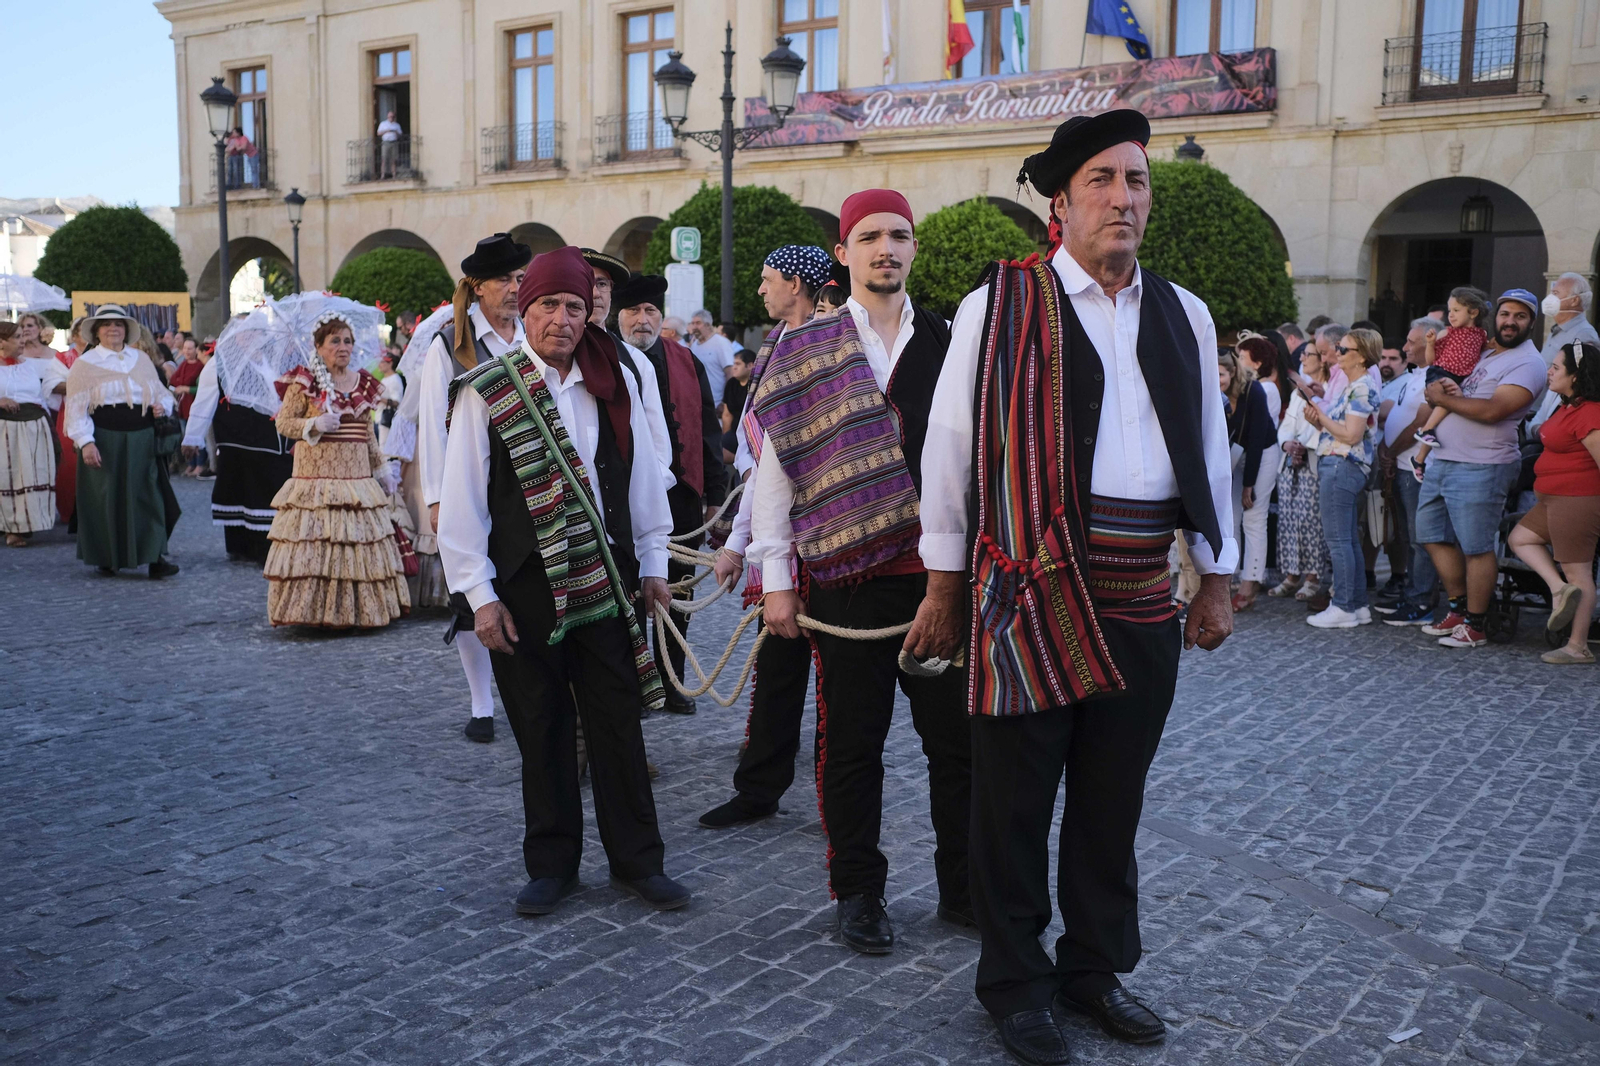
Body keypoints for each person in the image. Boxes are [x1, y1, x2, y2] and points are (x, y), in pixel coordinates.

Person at [917, 110, 1235, 1064]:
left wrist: (1216, 576)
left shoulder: (1185, 310)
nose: (1123, 197)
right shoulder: (999, 304)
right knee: (1012, 798)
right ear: (1060, 202)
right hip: (1025, 585)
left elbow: (1211, 452)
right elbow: (949, 451)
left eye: (1136, 181)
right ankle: (1014, 983)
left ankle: (1094, 970)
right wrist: (942, 583)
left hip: (1142, 589)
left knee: (1112, 798)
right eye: (1102, 180)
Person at [748, 190, 972, 957]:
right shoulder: (806, 346)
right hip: (845, 581)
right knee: (851, 747)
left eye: (899, 235)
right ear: (842, 254)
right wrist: (776, 577)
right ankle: (860, 892)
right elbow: (777, 472)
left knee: (958, 744)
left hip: (940, 579)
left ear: (914, 249)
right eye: (869, 236)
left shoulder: (950, 341)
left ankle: (964, 885)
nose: (886, 248)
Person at [436, 245, 690, 916]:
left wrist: (656, 565)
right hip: (523, 591)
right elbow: (461, 505)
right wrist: (480, 599)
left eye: (574, 305)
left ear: (589, 313)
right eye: (548, 303)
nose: (562, 318)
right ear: (527, 310)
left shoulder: (618, 380)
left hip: (606, 583)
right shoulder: (488, 391)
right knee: (542, 728)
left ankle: (639, 861)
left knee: (618, 725)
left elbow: (643, 479)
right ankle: (552, 864)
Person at [700, 242, 834, 831]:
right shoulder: (775, 346)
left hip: (832, 538)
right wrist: (741, 543)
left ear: (799, 286)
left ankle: (843, 790)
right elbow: (765, 462)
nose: (760, 290)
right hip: (785, 542)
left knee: (845, 679)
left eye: (769, 279)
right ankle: (760, 786)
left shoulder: (833, 344)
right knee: (778, 669)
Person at [411, 234, 532, 740]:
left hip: (527, 481)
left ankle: (528, 695)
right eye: (503, 280)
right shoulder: (451, 343)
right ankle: (482, 704)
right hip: (471, 485)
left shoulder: (533, 334)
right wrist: (438, 499)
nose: (513, 289)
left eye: (520, 279)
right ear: (478, 287)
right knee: (471, 595)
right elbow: (432, 424)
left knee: (522, 590)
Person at [613, 273, 730, 714]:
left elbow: (708, 431)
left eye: (650, 311)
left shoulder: (687, 361)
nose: (643, 320)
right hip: (625, 503)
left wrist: (715, 494)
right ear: (617, 316)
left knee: (678, 594)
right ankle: (636, 685)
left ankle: (672, 679)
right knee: (630, 595)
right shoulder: (606, 360)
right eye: (633, 311)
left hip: (681, 500)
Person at [1415, 290, 1549, 649]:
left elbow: (1494, 410)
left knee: (1476, 547)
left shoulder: (1528, 363)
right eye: (1506, 314)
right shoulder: (1486, 350)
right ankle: (1458, 608)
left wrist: (1443, 399)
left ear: (1532, 323)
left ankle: (1476, 624)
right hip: (1443, 457)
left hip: (1483, 464)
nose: (1510, 321)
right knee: (1430, 535)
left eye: (1520, 317)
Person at [264, 315, 408, 627]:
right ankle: (312, 614)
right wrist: (312, 424)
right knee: (318, 548)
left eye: (347, 341)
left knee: (356, 549)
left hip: (357, 482)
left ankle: (357, 613)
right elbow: (284, 423)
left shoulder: (363, 384)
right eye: (335, 341)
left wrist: (381, 468)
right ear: (319, 347)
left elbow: (367, 432)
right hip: (316, 482)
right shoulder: (304, 382)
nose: (343, 347)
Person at [63, 305, 181, 578]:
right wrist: (86, 442)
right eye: (106, 325)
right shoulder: (85, 364)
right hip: (104, 437)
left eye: (118, 324)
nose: (113, 329)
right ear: (96, 331)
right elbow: (77, 408)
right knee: (106, 498)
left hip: (142, 436)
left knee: (149, 496)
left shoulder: (140, 359)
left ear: (126, 330)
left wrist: (161, 407)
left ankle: (155, 556)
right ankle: (107, 556)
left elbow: (161, 393)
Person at [1507, 342, 1600, 664]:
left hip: (1576, 501)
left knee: (1579, 573)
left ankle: (1578, 646)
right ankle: (1558, 590)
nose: (1549, 371)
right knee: (1520, 538)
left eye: (1557, 367)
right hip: (1551, 500)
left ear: (1576, 376)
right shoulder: (1566, 406)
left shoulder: (1590, 413)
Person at [1302, 328, 1382, 627]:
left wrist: (1321, 418)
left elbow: (1351, 435)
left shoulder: (1361, 387)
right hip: (1341, 464)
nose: (1336, 352)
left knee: (1339, 540)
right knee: (1346, 539)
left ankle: (1344, 606)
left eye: (1343, 349)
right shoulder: (1353, 386)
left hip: (1342, 465)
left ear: (1361, 357)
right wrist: (1320, 420)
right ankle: (1357, 605)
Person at [1378, 318, 1443, 626]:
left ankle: (1422, 603)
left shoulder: (1435, 374)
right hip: (1401, 466)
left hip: (1418, 469)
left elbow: (1422, 420)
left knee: (1421, 539)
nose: (1405, 348)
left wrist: (1390, 450)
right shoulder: (1415, 375)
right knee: (1407, 536)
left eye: (1410, 342)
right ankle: (1413, 594)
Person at [1271, 343, 1332, 602]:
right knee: (1289, 521)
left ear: (1323, 360)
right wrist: (1287, 444)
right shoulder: (1299, 393)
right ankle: (1292, 574)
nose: (1303, 358)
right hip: (1291, 466)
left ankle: (1313, 577)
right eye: (1303, 354)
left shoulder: (1330, 390)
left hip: (1313, 463)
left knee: (1311, 523)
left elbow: (1327, 427)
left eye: (1309, 355)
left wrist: (1305, 446)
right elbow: (1286, 425)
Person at [1411, 286, 1491, 479]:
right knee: (1446, 400)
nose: (1451, 316)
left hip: (1460, 378)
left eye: (1456, 310)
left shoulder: (1480, 335)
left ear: (1473, 312)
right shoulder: (1447, 333)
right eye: (1449, 311)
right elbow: (1431, 360)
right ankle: (1426, 430)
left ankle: (1419, 457)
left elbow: (1484, 352)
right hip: (1440, 372)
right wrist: (1430, 344)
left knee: (1448, 410)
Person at [1230, 336, 1284, 610]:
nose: (1237, 361)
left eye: (1242, 357)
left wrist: (1248, 485)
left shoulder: (1260, 390)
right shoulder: (1235, 387)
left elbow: (1255, 439)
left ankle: (1250, 584)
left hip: (1262, 453)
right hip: (1240, 453)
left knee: (1254, 516)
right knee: (1232, 516)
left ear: (1257, 363)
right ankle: (1233, 577)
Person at [0, 322, 57, 545]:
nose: (22, 341)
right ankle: (8, 526)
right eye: (16, 337)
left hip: (33, 427)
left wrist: (49, 426)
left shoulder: (29, 366)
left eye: (22, 336)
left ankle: (23, 525)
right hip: (4, 427)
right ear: (1, 342)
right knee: (7, 476)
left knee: (29, 475)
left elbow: (41, 396)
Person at [1529, 273, 1600, 430]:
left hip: (1552, 421)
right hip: (1536, 415)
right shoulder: (1559, 330)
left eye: (1555, 293)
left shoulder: (1582, 335)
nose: (1549, 298)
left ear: (1574, 300)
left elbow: (1580, 385)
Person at [685, 309, 736, 408]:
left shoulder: (721, 343)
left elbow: (730, 373)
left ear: (708, 325)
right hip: (699, 404)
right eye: (693, 323)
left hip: (717, 405)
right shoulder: (694, 345)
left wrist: (725, 402)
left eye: (698, 323)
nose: (694, 327)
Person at [377, 111, 403, 178]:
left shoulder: (397, 125)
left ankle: (394, 175)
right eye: (390, 116)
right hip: (386, 143)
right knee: (384, 159)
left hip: (394, 143)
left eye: (393, 116)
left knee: (393, 160)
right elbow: (378, 133)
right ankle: (382, 175)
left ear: (394, 117)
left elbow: (400, 134)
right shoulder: (383, 124)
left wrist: (396, 132)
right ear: (387, 117)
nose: (391, 117)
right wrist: (386, 131)